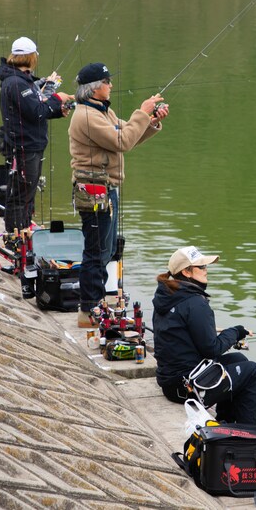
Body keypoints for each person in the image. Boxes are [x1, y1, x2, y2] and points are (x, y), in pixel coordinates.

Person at [69, 62, 168, 325]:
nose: (111, 85)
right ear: (94, 88)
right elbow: (122, 141)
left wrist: (151, 121)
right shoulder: (86, 116)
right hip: (93, 192)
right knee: (96, 251)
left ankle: (98, 304)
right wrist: (142, 112)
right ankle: (89, 310)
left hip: (106, 190)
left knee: (108, 248)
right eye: (107, 81)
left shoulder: (101, 111)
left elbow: (128, 136)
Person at [152, 246, 256, 426]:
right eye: (201, 267)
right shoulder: (195, 303)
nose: (206, 271)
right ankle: (252, 434)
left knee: (239, 359)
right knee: (252, 371)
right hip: (187, 387)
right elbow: (212, 349)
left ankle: (225, 421)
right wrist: (236, 331)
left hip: (171, 384)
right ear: (187, 272)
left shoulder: (168, 297)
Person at [0, 36, 73, 296]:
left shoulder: (22, 82)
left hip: (29, 145)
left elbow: (36, 109)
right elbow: (37, 111)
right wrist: (57, 99)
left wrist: (55, 107)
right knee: (20, 198)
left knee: (25, 198)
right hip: (24, 147)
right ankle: (18, 250)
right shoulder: (17, 84)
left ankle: (23, 244)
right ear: (30, 58)